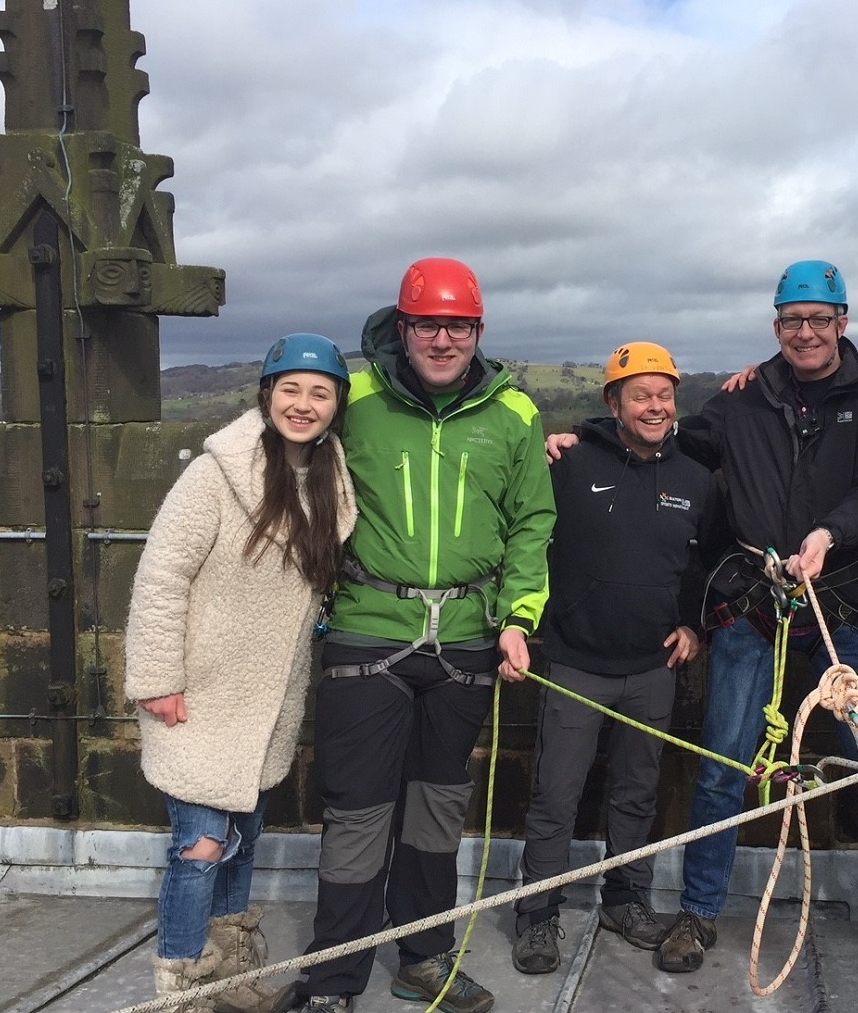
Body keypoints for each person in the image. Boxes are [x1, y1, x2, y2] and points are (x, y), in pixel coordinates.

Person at [548, 260, 858, 984]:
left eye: (818, 319)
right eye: (792, 320)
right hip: (755, 613)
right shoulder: (743, 401)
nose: (805, 332)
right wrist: (579, 441)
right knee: (722, 767)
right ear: (776, 326)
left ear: (842, 323)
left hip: (845, 609)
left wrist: (829, 531)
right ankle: (699, 908)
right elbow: (664, 443)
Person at [295, 257, 556, 1013]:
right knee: (357, 810)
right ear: (402, 326)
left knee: (436, 809)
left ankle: (422, 958)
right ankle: (334, 977)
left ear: (478, 330)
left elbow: (531, 523)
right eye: (427, 324)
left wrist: (518, 619)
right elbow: (285, 445)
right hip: (368, 628)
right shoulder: (357, 398)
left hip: (470, 638)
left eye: (458, 326)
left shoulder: (514, 413)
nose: (442, 340)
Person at [125, 334, 357, 1013]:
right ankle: (179, 984)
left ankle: (228, 972)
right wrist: (158, 677)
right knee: (199, 845)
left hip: (267, 696)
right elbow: (162, 576)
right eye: (290, 388)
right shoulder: (213, 474)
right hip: (197, 691)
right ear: (266, 394)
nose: (303, 403)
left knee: (241, 840)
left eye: (319, 392)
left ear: (336, 405)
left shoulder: (331, 479)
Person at [511, 342, 725, 975]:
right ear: (614, 402)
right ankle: (537, 915)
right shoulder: (569, 464)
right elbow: (524, 535)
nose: (654, 406)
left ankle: (626, 901)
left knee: (637, 795)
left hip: (651, 668)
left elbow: (704, 563)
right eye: (640, 395)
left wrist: (694, 624)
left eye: (664, 395)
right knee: (555, 795)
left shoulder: (693, 477)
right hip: (576, 662)